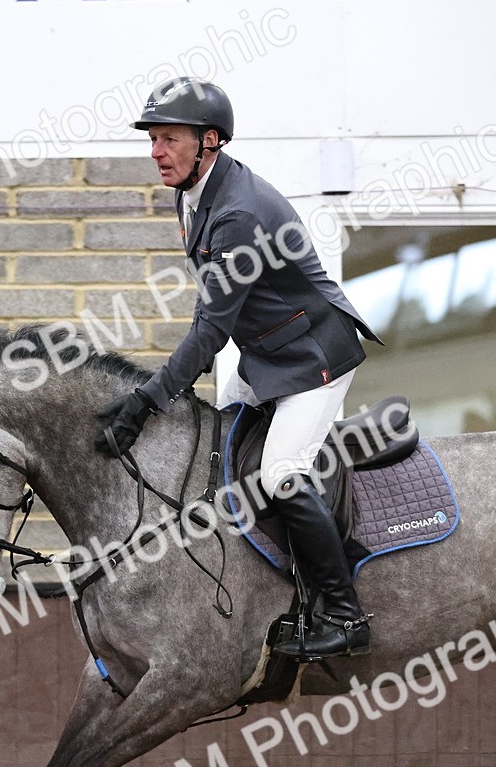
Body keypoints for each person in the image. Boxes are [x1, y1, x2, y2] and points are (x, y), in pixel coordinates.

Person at [94, 77, 383, 661]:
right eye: (152, 139)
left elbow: (211, 330)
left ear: (210, 141)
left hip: (314, 356)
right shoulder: (192, 193)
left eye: (169, 139)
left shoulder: (237, 213)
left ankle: (345, 615)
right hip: (267, 352)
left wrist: (147, 400)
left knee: (280, 475)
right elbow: (212, 304)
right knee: (216, 447)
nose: (156, 152)